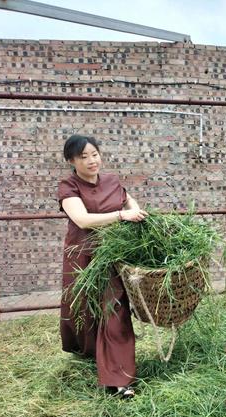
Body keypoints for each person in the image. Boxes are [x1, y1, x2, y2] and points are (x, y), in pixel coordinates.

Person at [57, 135, 148, 398]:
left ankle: (119, 381)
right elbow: (82, 220)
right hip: (83, 258)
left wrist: (137, 215)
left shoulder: (111, 180)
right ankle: (91, 354)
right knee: (83, 311)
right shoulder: (68, 186)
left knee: (115, 312)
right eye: (83, 157)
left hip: (112, 258)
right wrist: (121, 215)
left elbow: (130, 202)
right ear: (72, 162)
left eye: (94, 154)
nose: (91, 161)